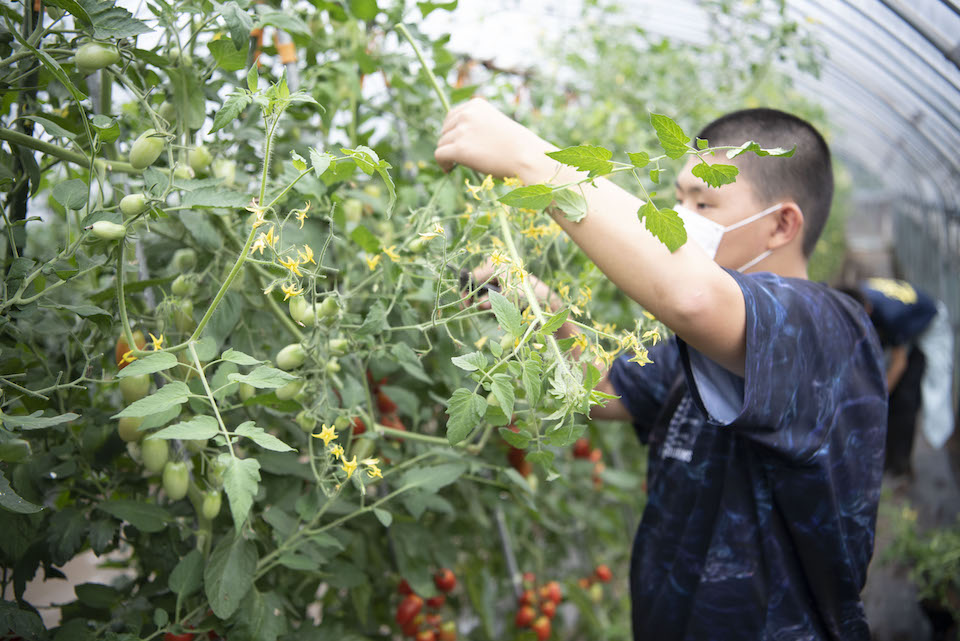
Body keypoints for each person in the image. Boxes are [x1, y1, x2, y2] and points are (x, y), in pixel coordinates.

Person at [435, 101, 886, 640]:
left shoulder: (828, 330)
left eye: (705, 202)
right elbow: (603, 390)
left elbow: (693, 295)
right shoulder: (699, 350)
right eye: (678, 200)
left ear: (781, 224)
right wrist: (542, 308)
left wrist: (532, 160)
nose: (679, 218)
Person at [858, 277, 955, 476]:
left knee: (910, 397)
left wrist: (880, 396)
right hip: (908, 316)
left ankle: (903, 463)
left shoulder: (892, 316)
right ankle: (890, 458)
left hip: (930, 327)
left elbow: (899, 363)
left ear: (867, 310)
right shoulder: (860, 293)